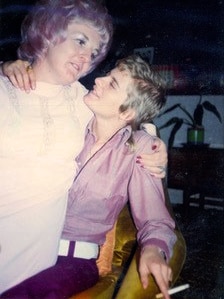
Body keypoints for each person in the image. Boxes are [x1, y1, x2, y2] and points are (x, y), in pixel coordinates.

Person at [0, 0, 167, 295]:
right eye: (80, 41)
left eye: (92, 54)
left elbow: (130, 125)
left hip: (59, 259)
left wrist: (154, 144)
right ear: (49, 33)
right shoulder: (68, 107)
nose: (90, 66)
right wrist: (5, 66)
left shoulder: (97, 114)